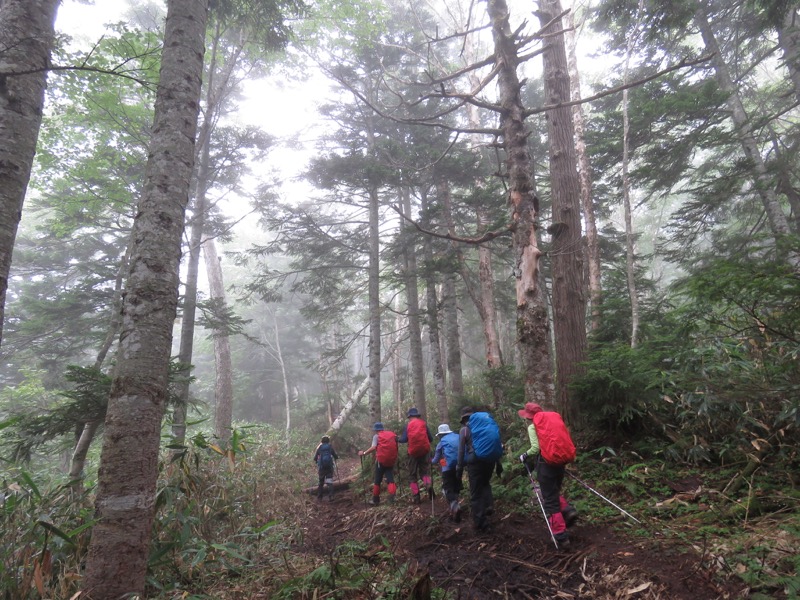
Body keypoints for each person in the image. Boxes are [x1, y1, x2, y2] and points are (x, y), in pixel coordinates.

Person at [517, 402, 578, 547]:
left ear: (529, 416)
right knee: (553, 491)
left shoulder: (533, 426)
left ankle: (561, 536)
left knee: (549, 501)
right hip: (560, 463)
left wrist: (524, 455)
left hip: (546, 466)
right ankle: (567, 510)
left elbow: (536, 448)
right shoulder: (552, 422)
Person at [457, 406, 503, 532]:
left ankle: (481, 523)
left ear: (463, 419)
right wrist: (498, 463)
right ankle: (488, 505)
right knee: (485, 483)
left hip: (475, 462)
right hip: (490, 460)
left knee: (476, 492)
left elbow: (461, 451)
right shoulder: (485, 426)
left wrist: (459, 469)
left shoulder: (464, 430)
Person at [397, 407, 434, 504]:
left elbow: (404, 439)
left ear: (409, 416)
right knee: (424, 473)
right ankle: (428, 486)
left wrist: (397, 439)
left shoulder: (408, 425)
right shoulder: (423, 424)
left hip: (413, 453)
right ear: (417, 416)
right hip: (425, 452)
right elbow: (430, 438)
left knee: (412, 476)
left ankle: (416, 497)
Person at [358, 422, 398, 505]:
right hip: (390, 461)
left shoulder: (376, 436)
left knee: (377, 480)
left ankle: (375, 500)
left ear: (376, 430)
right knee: (390, 479)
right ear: (382, 428)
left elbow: (373, 447)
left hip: (381, 462)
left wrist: (364, 453)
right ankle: (393, 498)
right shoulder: (391, 435)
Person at [431, 423, 462, 521]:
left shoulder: (441, 443)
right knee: (456, 487)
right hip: (459, 466)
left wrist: (430, 461)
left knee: (447, 489)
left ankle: (454, 506)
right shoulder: (458, 437)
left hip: (447, 469)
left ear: (440, 434)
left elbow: (435, 460)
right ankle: (453, 512)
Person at [313, 435, 339, 501]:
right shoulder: (330, 447)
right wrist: (336, 457)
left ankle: (319, 497)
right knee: (329, 482)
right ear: (328, 441)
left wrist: (317, 461)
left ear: (322, 441)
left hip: (322, 467)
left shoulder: (319, 447)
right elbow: (335, 455)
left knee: (321, 482)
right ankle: (331, 496)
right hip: (329, 467)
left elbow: (315, 458)